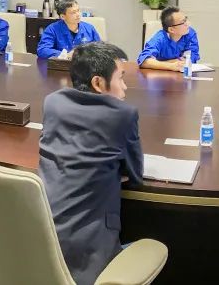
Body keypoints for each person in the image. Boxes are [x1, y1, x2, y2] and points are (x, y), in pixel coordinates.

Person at [38, 42, 142, 285]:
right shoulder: (123, 115)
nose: (125, 87)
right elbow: (135, 175)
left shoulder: (52, 102)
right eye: (121, 78)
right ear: (98, 82)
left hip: (41, 246)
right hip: (89, 256)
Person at [138, 6, 201, 71]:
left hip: (182, 74)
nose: (188, 24)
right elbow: (144, 61)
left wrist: (166, 62)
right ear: (171, 29)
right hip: (160, 74)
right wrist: (171, 66)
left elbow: (191, 57)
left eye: (186, 19)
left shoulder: (190, 33)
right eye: (183, 22)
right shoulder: (159, 39)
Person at [36, 0, 102, 59]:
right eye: (73, 12)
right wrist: (65, 55)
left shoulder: (89, 28)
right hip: (62, 65)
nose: (78, 14)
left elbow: (100, 49)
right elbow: (42, 50)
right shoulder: (52, 29)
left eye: (78, 10)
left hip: (85, 64)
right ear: (63, 16)